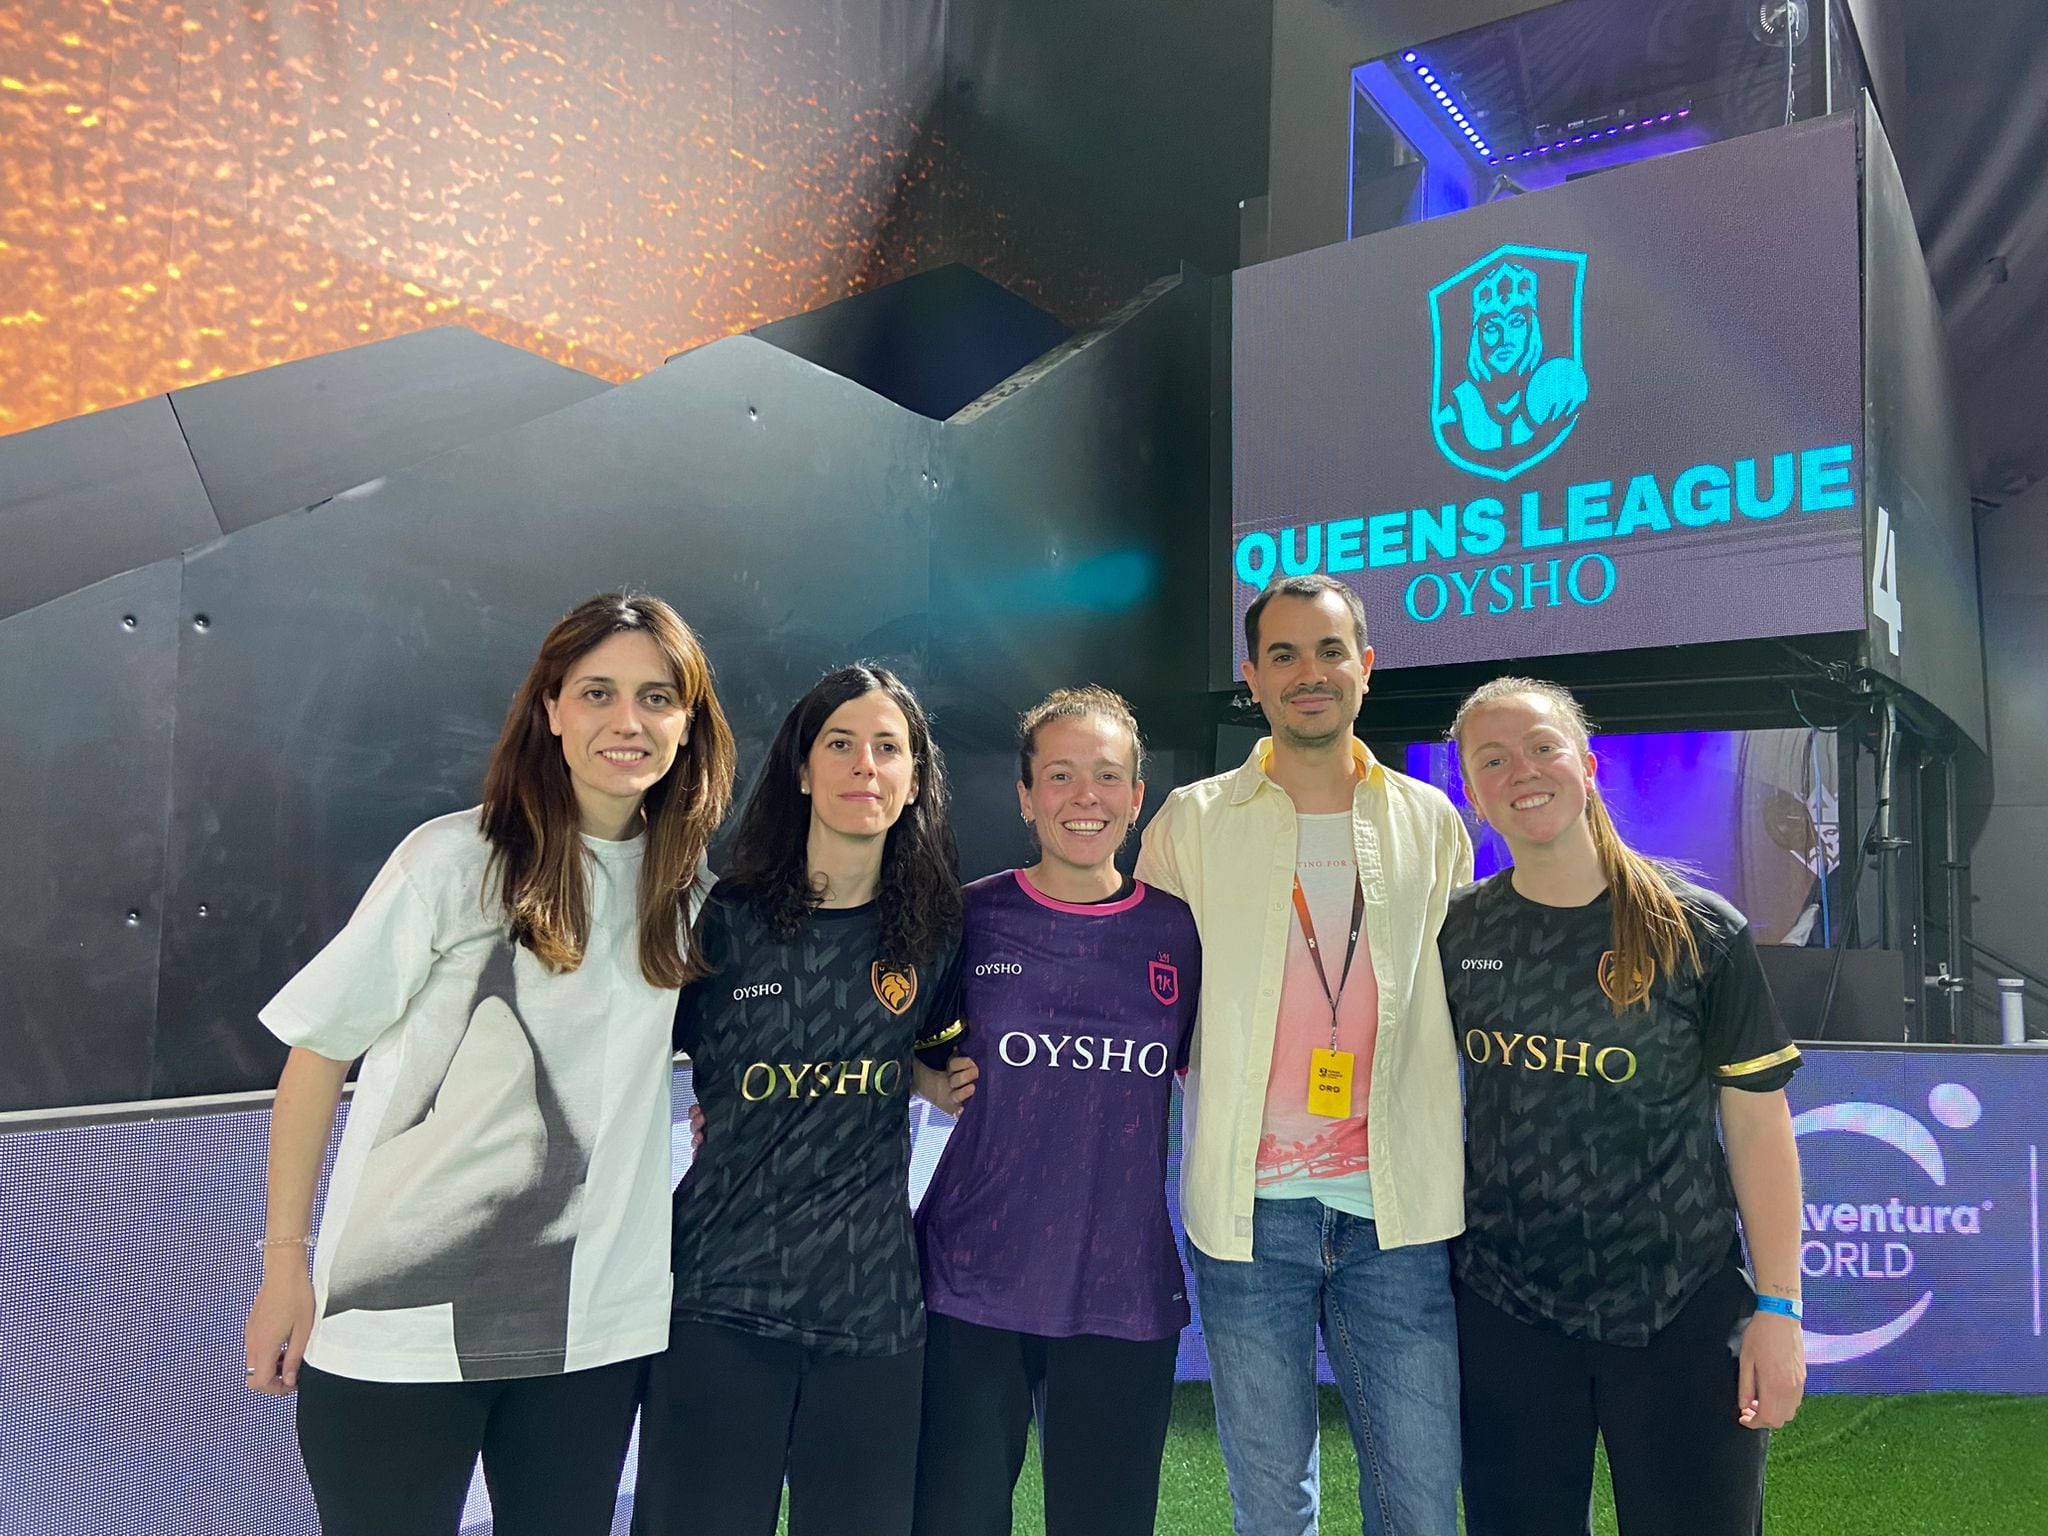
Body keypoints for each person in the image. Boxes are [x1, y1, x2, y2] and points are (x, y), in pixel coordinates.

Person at [243, 592, 737, 1536]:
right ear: (550, 708)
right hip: (397, 1327)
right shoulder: (450, 861)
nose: (626, 722)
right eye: (596, 692)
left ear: (688, 723)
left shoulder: (693, 894)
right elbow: (314, 1060)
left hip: (592, 1328)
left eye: (655, 697)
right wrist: (283, 1269)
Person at [1136, 573, 1471, 1536]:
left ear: (1366, 667)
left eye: (1329, 650)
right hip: (1250, 1218)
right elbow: (1143, 993)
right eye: (1282, 653)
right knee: (1272, 1505)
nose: (1308, 672)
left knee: (1417, 1502)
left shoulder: (1431, 821)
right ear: (1252, 677)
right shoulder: (1191, 824)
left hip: (1397, 1213)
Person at [1441, 676, 1806, 1536]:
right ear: (1472, 791)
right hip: (1505, 1313)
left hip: (1679, 1308)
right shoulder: (1456, 933)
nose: (1520, 771)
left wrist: (1780, 1310)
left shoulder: (1698, 930)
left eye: (1540, 747)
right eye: (1491, 759)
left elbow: (1757, 1126)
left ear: (1587, 764)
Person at [635, 663, 970, 1536]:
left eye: (888, 748)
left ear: (913, 778)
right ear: (801, 768)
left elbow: (922, 1056)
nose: (866, 764)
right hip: (719, 1300)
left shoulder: (936, 933)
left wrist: (928, 1075)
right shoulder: (721, 920)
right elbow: (627, 1063)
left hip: (872, 1314)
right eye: (841, 744)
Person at [911, 687, 1201, 1536]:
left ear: (1137, 796)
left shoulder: (1179, 932)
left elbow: (1216, 1070)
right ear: (1027, 796)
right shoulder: (968, 917)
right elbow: (879, 1035)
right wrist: (923, 1078)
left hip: (1122, 1288)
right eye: (1062, 776)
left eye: (1107, 777)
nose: (1086, 798)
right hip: (971, 1281)